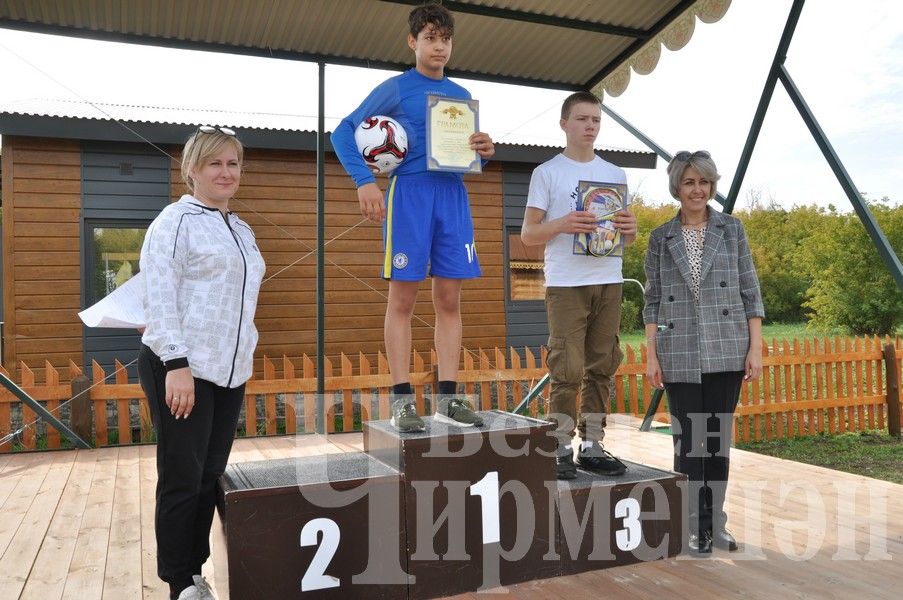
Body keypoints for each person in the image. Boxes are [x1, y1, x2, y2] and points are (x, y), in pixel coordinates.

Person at [331, 2, 495, 432]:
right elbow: (342, 129)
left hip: (453, 197)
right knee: (403, 300)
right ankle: (402, 400)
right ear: (412, 42)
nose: (438, 46)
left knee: (449, 301)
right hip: (410, 196)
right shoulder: (397, 88)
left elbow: (465, 155)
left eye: (445, 39)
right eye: (429, 38)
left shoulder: (460, 98)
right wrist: (364, 181)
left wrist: (483, 151)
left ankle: (448, 398)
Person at [138, 126, 266, 599]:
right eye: (215, 163)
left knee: (209, 476)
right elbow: (159, 290)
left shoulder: (242, 228)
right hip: (182, 368)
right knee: (182, 477)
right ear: (192, 169)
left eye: (233, 163)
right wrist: (176, 362)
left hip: (229, 372)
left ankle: (196, 574)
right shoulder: (175, 222)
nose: (226, 172)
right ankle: (180, 585)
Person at [643, 150, 764, 554]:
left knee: (717, 442)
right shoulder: (661, 237)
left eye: (705, 182)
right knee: (689, 444)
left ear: (712, 186)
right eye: (690, 182)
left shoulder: (732, 229)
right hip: (678, 349)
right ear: (677, 186)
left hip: (727, 347)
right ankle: (693, 526)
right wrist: (652, 354)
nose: (698, 190)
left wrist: (756, 347)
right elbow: (653, 301)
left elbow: (750, 291)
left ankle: (717, 524)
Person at [521, 91, 637, 480]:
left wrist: (630, 230)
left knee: (603, 363)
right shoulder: (547, 172)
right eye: (583, 119)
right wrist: (563, 224)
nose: (590, 126)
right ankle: (558, 447)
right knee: (567, 367)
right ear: (564, 124)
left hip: (609, 278)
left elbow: (624, 235)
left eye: (596, 120)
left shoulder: (615, 174)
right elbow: (528, 235)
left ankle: (591, 445)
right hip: (567, 283)